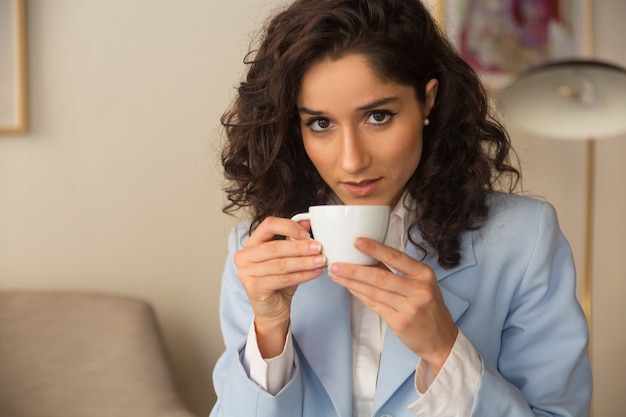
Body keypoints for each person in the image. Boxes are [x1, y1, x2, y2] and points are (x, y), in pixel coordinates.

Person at [210, 0, 592, 416]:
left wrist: (444, 349)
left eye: (378, 116)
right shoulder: (258, 253)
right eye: (320, 123)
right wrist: (269, 331)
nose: (352, 160)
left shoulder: (525, 239)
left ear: (427, 100)